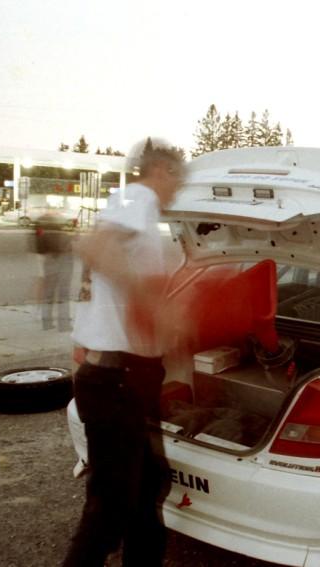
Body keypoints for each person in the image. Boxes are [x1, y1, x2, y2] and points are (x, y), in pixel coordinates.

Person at [63, 140, 185, 567]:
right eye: (178, 179)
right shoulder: (135, 196)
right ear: (163, 172)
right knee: (109, 507)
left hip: (127, 377)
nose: (179, 190)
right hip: (113, 379)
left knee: (146, 490)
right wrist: (149, 303)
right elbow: (95, 247)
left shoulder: (144, 215)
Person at [35, 212, 74, 331]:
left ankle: (46, 323)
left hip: (49, 261)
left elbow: (40, 248)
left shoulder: (43, 232)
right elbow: (69, 248)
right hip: (63, 262)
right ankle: (63, 324)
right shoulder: (63, 233)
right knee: (63, 295)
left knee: (48, 294)